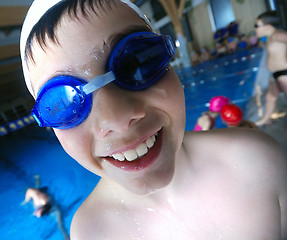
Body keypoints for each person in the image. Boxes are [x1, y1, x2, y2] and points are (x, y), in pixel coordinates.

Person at [20, 1, 287, 239]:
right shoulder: (91, 231)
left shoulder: (257, 160)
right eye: (62, 104)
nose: (117, 119)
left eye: (137, 61)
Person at [254, 11, 287, 126]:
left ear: (267, 26)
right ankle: (265, 119)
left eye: (257, 26)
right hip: (276, 74)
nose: (255, 29)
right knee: (270, 97)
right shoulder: (269, 37)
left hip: (284, 73)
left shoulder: (278, 35)